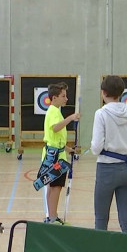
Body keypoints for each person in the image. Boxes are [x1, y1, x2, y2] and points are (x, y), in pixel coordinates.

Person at [90, 76, 127, 234]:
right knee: (126, 218)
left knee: (101, 218)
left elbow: (96, 148)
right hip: (126, 170)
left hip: (106, 170)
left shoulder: (101, 113)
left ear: (103, 92)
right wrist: (125, 151)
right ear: (121, 93)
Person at [41, 82, 80, 225]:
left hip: (56, 153)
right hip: (54, 157)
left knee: (53, 186)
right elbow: (56, 128)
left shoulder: (56, 111)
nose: (66, 99)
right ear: (54, 98)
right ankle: (52, 217)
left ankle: (52, 216)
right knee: (55, 187)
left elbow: (55, 137)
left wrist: (68, 149)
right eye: (63, 96)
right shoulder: (53, 111)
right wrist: (71, 118)